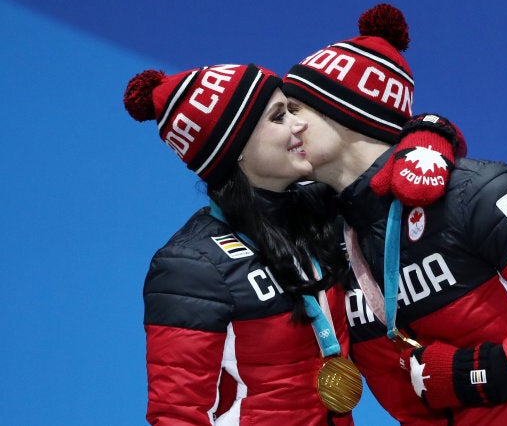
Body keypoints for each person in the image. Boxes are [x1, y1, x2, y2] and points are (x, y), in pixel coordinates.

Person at [282, 3, 507, 426]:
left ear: (348, 115)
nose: (287, 128)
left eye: (294, 110)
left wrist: (481, 372)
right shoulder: (333, 242)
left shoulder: (474, 191)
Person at [123, 63, 362, 425]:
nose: (299, 125)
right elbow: (177, 415)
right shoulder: (191, 265)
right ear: (235, 148)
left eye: (292, 111)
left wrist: (431, 135)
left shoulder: (319, 213)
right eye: (278, 117)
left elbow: (389, 156)